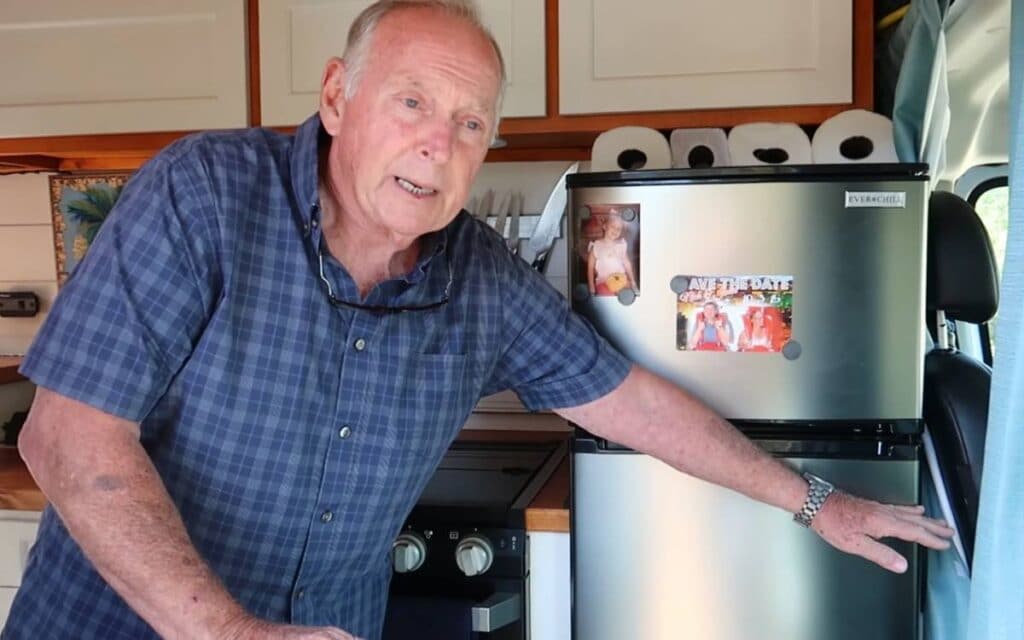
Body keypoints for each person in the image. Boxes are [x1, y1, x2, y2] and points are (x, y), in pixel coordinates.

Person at [4, 2, 953, 639]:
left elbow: (639, 407)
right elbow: (65, 437)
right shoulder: (204, 194)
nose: (438, 143)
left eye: (469, 123)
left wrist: (818, 501)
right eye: (412, 101)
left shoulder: (482, 281)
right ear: (338, 97)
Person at [586, 210, 636, 295]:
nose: (616, 230)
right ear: (605, 226)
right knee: (606, 295)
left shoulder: (621, 244)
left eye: (619, 229)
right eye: (613, 226)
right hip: (604, 281)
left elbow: (627, 264)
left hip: (620, 279)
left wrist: (632, 281)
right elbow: (590, 268)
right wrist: (591, 287)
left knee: (629, 293)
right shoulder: (595, 246)